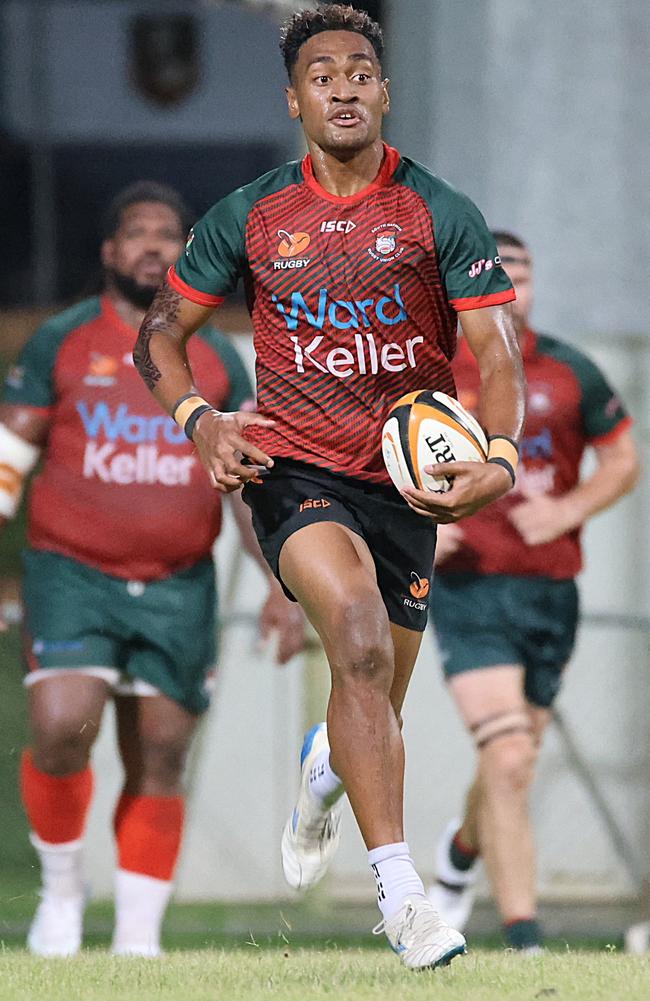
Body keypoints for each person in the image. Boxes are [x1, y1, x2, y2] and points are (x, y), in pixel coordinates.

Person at [133, 5, 526, 970]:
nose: (343, 86)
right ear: (294, 99)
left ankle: (322, 774)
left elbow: (495, 353)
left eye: (360, 71)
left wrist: (501, 456)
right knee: (351, 632)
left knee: (375, 703)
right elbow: (160, 338)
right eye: (323, 75)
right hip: (293, 466)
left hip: (409, 482)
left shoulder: (439, 209)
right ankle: (404, 897)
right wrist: (202, 421)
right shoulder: (254, 214)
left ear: (385, 92)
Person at [0, 180, 304, 957]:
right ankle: (63, 892)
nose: (154, 245)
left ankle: (139, 934)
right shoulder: (63, 339)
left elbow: (244, 486)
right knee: (62, 725)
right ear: (110, 252)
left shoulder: (216, 359)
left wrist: (280, 584)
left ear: (189, 254)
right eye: (137, 232)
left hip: (177, 583)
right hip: (73, 574)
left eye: (170, 234)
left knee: (163, 750)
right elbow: (9, 460)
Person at [426, 230, 640, 952]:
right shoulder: (430, 371)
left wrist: (572, 509)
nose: (511, 290)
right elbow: (378, 465)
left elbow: (621, 459)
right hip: (469, 588)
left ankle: (458, 855)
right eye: (497, 276)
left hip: (550, 592)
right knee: (511, 758)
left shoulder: (570, 370)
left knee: (510, 761)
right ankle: (525, 940)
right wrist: (421, 528)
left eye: (522, 275)